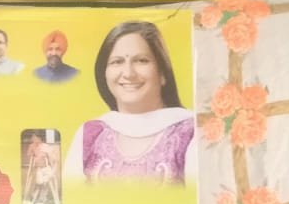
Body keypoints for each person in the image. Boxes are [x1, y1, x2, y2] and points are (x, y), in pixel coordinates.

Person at [66, 21, 195, 185]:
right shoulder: (90, 134)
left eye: (141, 60)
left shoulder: (191, 131)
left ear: (162, 73)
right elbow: (70, 199)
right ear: (104, 74)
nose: (128, 73)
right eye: (117, 61)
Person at [22, 130, 62, 204]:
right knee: (39, 184)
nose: (32, 139)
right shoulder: (33, 146)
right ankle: (33, 200)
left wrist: (52, 172)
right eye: (32, 137)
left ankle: (41, 201)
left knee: (44, 184)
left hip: (47, 169)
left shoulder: (46, 147)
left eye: (34, 137)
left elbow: (54, 161)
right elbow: (30, 155)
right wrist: (31, 149)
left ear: (39, 138)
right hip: (39, 169)